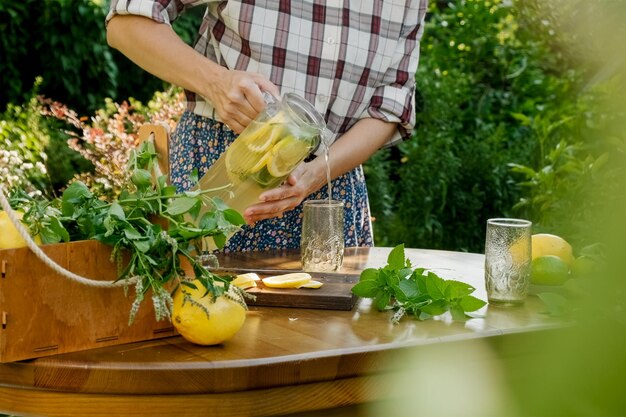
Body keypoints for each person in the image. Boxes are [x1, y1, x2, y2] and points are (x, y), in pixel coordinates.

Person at [106, 0, 427, 252]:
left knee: (335, 333)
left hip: (330, 187)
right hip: (225, 168)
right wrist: (216, 82)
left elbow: (390, 105)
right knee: (199, 319)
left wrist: (316, 175)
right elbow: (127, 21)